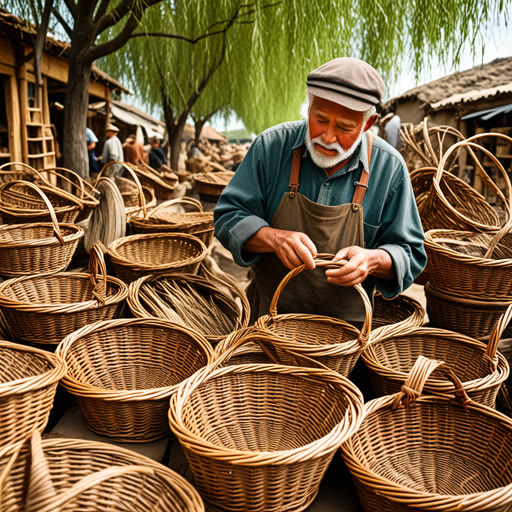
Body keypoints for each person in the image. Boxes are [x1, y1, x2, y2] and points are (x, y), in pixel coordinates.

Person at [214, 57, 426, 326]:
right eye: (320, 119)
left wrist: (372, 260)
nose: (327, 137)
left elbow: (411, 253)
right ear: (309, 106)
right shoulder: (270, 147)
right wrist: (272, 238)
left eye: (345, 127)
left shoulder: (389, 168)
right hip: (265, 324)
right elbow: (227, 217)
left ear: (368, 123)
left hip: (348, 341)